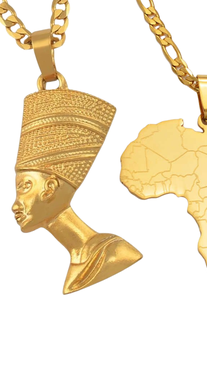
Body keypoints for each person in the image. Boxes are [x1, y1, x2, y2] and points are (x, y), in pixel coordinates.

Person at [12, 89, 142, 294]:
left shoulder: (112, 252)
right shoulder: (82, 259)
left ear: (50, 188)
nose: (14, 205)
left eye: (25, 187)